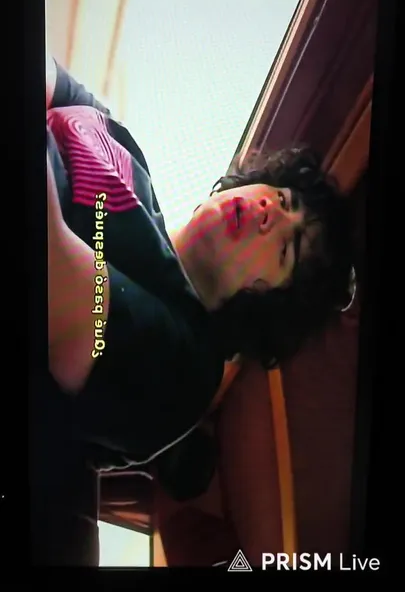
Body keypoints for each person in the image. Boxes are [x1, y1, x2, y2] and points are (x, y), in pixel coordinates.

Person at [38, 56, 354, 564]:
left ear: (264, 299)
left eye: (285, 248)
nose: (270, 212)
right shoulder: (127, 151)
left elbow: (53, 282)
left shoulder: (185, 369)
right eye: (282, 198)